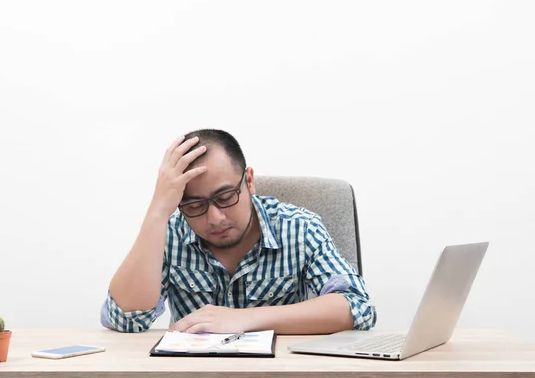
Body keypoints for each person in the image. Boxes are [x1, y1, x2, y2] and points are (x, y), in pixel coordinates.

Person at [100, 128, 377, 334]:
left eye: (225, 197)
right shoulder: (170, 234)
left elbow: (357, 307)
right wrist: (158, 210)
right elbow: (122, 319)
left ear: (249, 181)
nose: (215, 217)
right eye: (195, 205)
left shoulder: (300, 228)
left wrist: (248, 319)